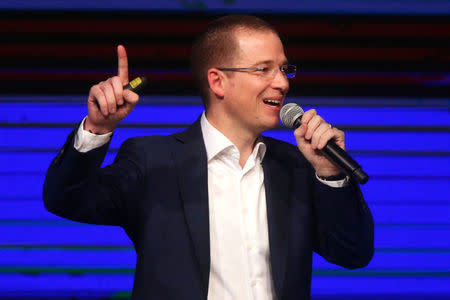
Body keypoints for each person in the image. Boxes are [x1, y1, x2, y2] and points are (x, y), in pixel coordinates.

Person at [43, 15, 374, 300]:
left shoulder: (297, 165)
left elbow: (353, 253)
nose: (282, 83)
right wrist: (96, 128)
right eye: (264, 69)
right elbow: (65, 199)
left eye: (284, 69)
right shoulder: (154, 160)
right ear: (218, 81)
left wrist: (330, 173)